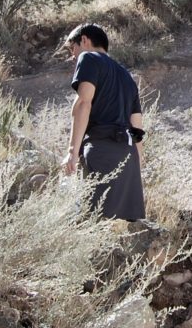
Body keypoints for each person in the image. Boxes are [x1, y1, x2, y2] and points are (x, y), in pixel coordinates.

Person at [62, 23, 145, 221]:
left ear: (84, 40)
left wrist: (72, 153)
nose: (73, 56)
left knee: (95, 224)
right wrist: (137, 164)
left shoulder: (88, 58)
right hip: (128, 156)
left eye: (72, 48)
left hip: (101, 151)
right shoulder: (127, 76)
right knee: (127, 228)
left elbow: (84, 103)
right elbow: (137, 127)